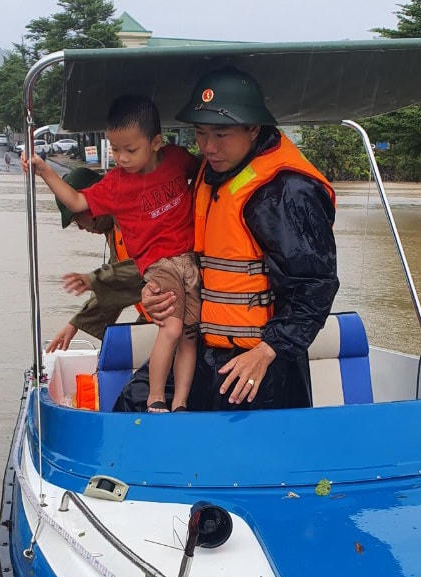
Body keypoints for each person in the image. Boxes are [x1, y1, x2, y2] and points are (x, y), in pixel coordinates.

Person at [118, 67, 338, 412]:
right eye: (200, 133)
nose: (208, 147)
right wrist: (156, 291)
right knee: (133, 404)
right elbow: (186, 253)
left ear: (254, 129)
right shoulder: (211, 172)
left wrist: (268, 351)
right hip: (203, 349)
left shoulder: (287, 192)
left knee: (241, 439)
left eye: (221, 134)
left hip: (262, 362)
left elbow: (316, 286)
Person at [25, 95, 199, 412]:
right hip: (161, 293)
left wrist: (92, 283)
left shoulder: (172, 164)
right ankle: (158, 400)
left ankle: (177, 403)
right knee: (172, 331)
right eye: (115, 150)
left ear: (155, 143)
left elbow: (121, 280)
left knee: (186, 335)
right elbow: (120, 284)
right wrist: (44, 170)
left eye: (81, 219)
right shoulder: (119, 195)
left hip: (183, 275)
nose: (121, 158)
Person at [45, 167, 146, 353]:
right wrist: (76, 323)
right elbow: (116, 284)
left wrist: (94, 279)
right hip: (153, 314)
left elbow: (147, 270)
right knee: (117, 353)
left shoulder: (134, 218)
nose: (81, 228)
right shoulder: (113, 231)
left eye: (77, 219)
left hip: (171, 316)